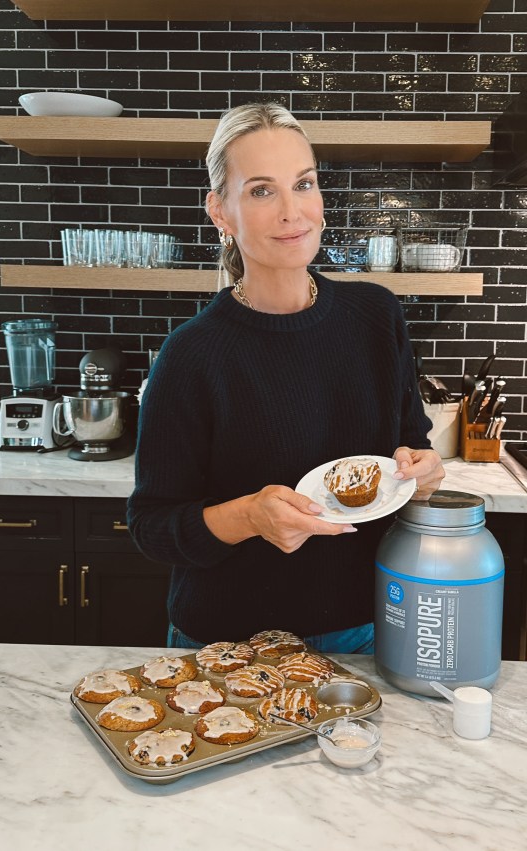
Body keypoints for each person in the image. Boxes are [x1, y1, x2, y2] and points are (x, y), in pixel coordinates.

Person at [127, 102, 445, 654]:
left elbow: (409, 446)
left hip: (365, 628)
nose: (292, 212)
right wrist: (250, 516)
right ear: (220, 212)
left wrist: (424, 468)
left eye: (304, 183)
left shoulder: (375, 315)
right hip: (227, 644)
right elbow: (153, 526)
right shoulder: (191, 355)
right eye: (261, 190)